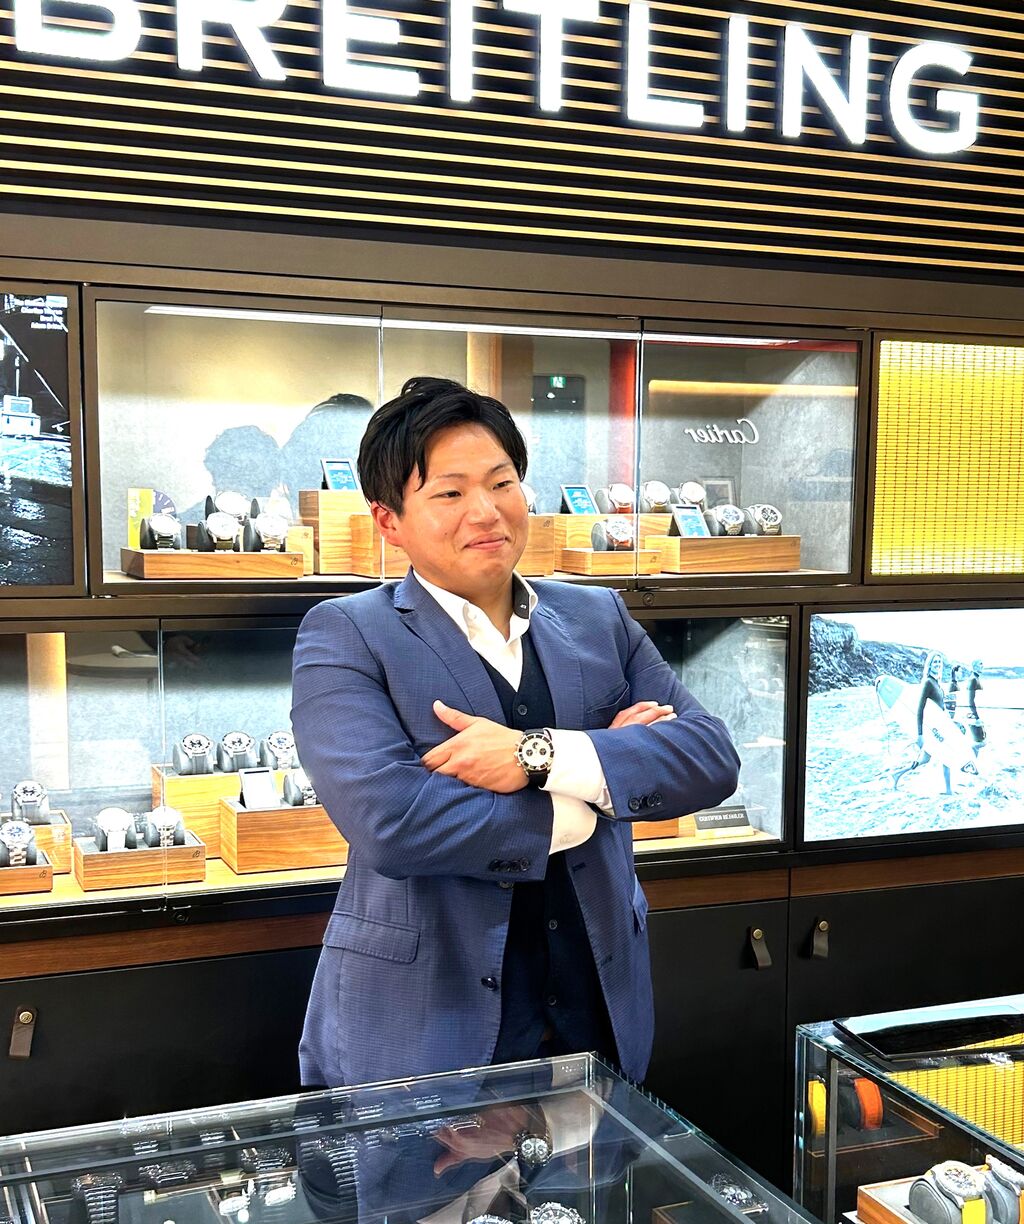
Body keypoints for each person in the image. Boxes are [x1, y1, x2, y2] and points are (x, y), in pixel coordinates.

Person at [290, 376, 740, 1090]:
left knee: (599, 1162)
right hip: (429, 1025)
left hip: (598, 1008)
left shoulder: (598, 618)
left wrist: (537, 755)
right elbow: (392, 822)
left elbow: (709, 757)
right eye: (449, 493)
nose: (487, 511)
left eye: (502, 483)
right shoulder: (348, 635)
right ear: (388, 520)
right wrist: (590, 795)